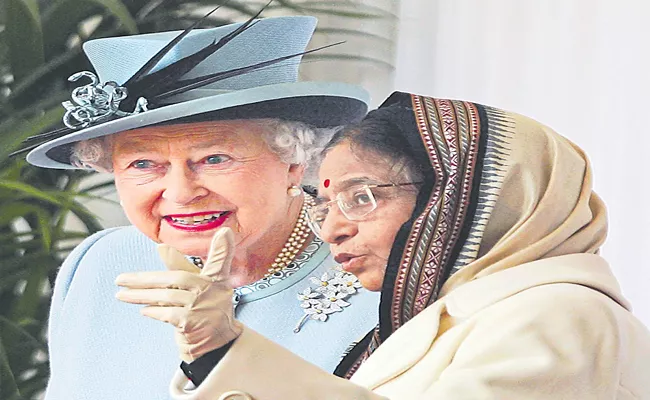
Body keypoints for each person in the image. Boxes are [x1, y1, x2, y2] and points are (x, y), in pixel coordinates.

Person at [118, 91, 650, 399]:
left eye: (362, 197)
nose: (330, 230)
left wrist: (224, 348)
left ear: (470, 195)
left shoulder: (559, 313)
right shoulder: (454, 316)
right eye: (323, 205)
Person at [25, 13, 381, 400]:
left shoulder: (388, 280)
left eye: (214, 159)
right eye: (143, 164)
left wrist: (227, 350)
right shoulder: (99, 262)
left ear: (294, 162)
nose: (180, 193)